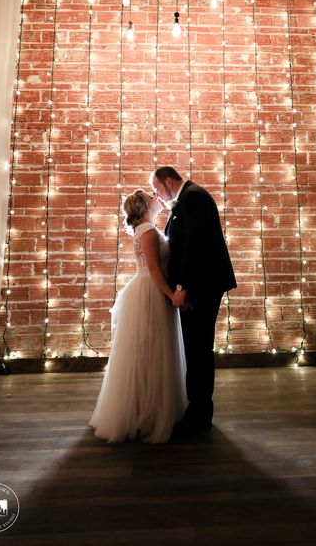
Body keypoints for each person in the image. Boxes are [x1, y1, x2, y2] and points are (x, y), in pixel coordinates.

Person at [89, 189, 187, 444]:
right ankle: (146, 412)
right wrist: (171, 295)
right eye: (153, 196)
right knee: (150, 350)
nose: (158, 198)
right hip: (151, 292)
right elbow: (154, 268)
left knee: (149, 351)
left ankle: (148, 408)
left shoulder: (146, 228)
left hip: (148, 289)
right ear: (144, 206)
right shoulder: (147, 231)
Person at [151, 167, 236, 435]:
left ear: (168, 180)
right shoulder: (187, 199)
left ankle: (200, 413)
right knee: (195, 348)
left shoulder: (194, 197)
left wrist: (183, 287)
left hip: (202, 286)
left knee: (198, 349)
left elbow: (195, 246)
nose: (157, 195)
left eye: (158, 189)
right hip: (198, 285)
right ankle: (197, 408)